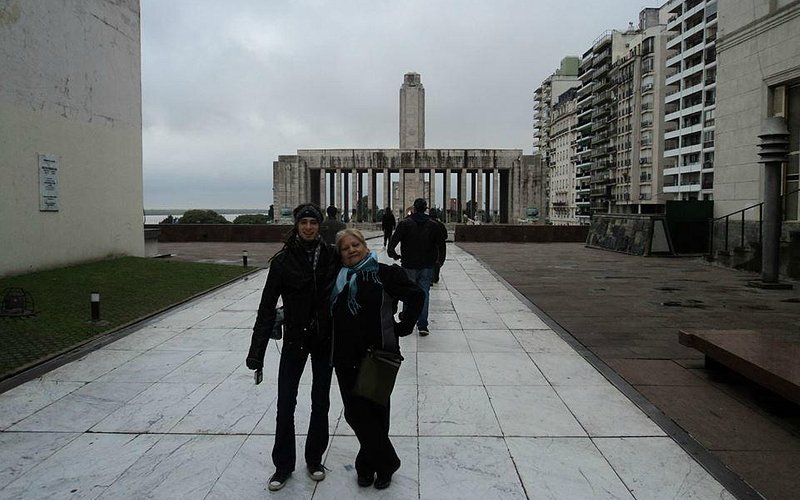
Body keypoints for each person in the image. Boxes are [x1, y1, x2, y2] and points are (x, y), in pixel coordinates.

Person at [246, 203, 339, 492]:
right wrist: (256, 353)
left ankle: (314, 459)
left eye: (313, 222)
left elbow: (357, 281)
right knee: (286, 403)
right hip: (295, 339)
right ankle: (283, 465)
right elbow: (266, 308)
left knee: (320, 402)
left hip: (324, 338)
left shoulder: (333, 257)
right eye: (304, 222)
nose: (309, 227)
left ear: (319, 225)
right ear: (297, 225)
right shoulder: (283, 261)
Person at [331, 228, 423, 490]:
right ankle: (387, 460)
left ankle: (371, 466)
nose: (351, 250)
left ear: (365, 246)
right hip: (344, 356)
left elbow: (416, 295)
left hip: (379, 354)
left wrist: (404, 326)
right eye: (345, 248)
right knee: (354, 413)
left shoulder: (385, 274)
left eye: (356, 244)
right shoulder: (337, 279)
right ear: (340, 255)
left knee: (376, 412)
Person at [387, 198, 446, 336]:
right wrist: (440, 261)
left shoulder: (405, 224)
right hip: (426, 265)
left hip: (409, 265)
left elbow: (392, 243)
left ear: (414, 208)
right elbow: (441, 245)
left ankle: (407, 321)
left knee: (408, 292)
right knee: (424, 294)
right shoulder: (433, 224)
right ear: (425, 208)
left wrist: (394, 255)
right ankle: (422, 325)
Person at [429, 208, 447, 284]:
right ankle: (435, 276)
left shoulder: (427, 224)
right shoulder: (440, 225)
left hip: (429, 246)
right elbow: (445, 236)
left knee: (430, 262)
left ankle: (430, 276)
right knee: (437, 261)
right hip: (439, 247)